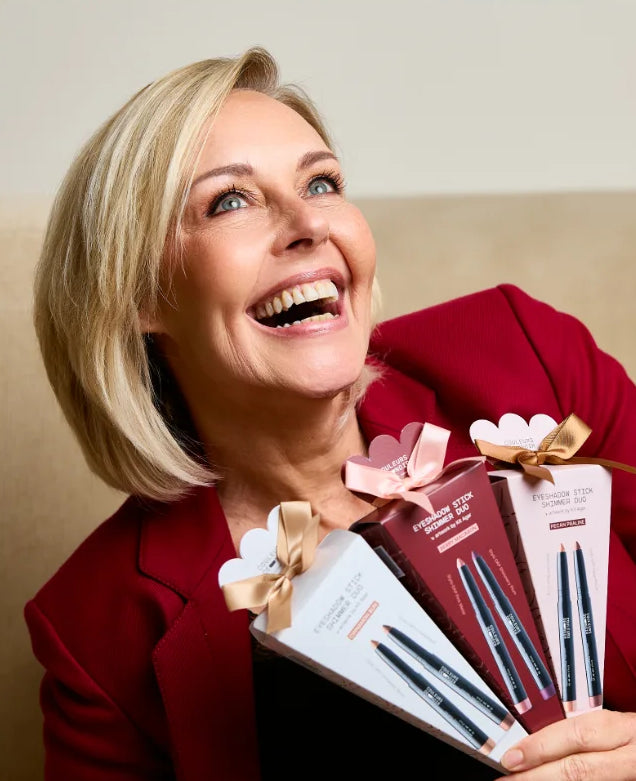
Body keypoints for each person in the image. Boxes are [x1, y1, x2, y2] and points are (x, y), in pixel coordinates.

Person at [24, 45, 636, 781]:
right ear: (139, 297)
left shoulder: (520, 355)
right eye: (230, 200)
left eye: (321, 182)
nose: (306, 223)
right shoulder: (96, 629)